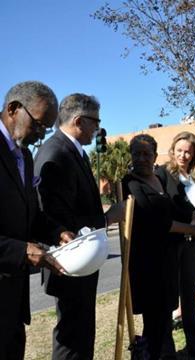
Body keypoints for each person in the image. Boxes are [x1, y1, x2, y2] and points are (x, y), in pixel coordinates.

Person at [34, 94, 124, 359]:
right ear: (79, 121)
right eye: (96, 122)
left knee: (83, 333)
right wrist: (107, 219)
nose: (98, 128)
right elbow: (52, 217)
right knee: (72, 339)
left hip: (82, 264)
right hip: (69, 263)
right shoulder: (56, 153)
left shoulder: (74, 151)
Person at [0, 81, 74, 359]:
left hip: (12, 300)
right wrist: (22, 250)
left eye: (47, 129)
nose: (41, 136)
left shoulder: (24, 157)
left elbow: (30, 213)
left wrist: (58, 232)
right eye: (39, 125)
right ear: (13, 109)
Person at [122, 134, 195, 359]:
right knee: (153, 320)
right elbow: (157, 223)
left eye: (146, 154)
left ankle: (166, 354)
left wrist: (193, 216)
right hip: (147, 262)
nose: (141, 158)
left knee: (162, 319)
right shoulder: (130, 182)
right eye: (136, 154)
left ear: (154, 155)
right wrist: (193, 230)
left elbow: (172, 208)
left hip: (167, 259)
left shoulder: (158, 180)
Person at [154, 131, 195, 358]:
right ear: (173, 150)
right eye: (180, 151)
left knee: (189, 296)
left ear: (194, 155)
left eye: (188, 152)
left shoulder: (192, 178)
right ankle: (167, 351)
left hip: (189, 245)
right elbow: (164, 211)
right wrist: (190, 218)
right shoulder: (163, 175)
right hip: (170, 245)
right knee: (168, 299)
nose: (183, 155)